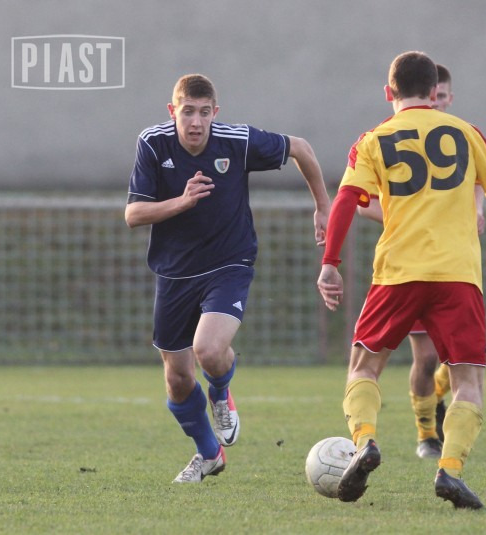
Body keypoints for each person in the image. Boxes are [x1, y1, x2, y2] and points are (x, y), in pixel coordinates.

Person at [317, 51, 486, 508]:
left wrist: (330, 261)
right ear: (434, 92)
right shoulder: (467, 133)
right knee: (468, 382)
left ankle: (365, 439)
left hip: (398, 274)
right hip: (458, 276)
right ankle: (450, 470)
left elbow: (347, 200)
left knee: (363, 367)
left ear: (388, 92)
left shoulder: (373, 139)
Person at [126, 74, 330, 483]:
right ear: (172, 111)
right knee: (177, 378)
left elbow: (301, 148)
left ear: (215, 113)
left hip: (229, 263)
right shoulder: (153, 143)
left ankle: (220, 394)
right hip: (174, 272)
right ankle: (209, 455)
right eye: (187, 112)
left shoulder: (236, 141)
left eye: (204, 113)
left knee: (209, 349)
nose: (196, 122)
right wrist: (182, 202)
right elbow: (133, 214)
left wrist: (323, 207)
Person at [357, 64, 486, 460]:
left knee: (461, 361)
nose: (439, 102)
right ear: (428, 93)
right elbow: (363, 202)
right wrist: (414, 219)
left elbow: (482, 183)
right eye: (437, 96)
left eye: (444, 97)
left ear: (447, 98)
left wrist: (476, 212)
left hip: (454, 263)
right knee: (426, 358)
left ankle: (440, 408)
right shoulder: (394, 138)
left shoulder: (460, 141)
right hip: (410, 264)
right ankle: (427, 434)